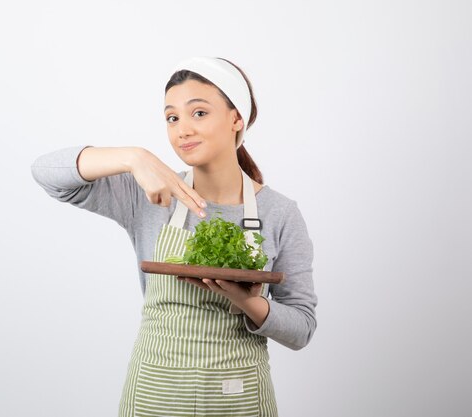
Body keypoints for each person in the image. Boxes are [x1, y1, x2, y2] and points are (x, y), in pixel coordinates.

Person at [31, 56, 317, 417]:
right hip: (154, 394)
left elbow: (301, 329)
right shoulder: (150, 193)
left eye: (199, 113)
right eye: (172, 117)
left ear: (236, 119)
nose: (182, 129)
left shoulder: (280, 213)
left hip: (237, 397)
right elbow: (45, 172)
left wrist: (246, 301)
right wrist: (135, 158)